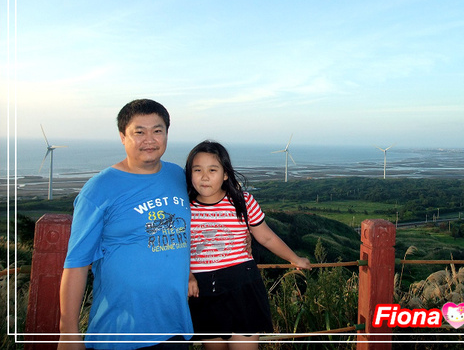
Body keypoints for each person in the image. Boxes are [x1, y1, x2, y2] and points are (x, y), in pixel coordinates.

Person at [58, 99, 193, 350]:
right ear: (122, 136)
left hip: (175, 328)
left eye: (157, 130)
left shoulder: (178, 176)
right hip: (119, 333)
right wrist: (68, 333)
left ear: (167, 133)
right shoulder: (99, 189)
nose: (149, 140)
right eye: (139, 132)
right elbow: (77, 263)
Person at [185, 140, 311, 349]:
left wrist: (294, 258)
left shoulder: (242, 202)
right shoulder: (184, 208)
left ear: (226, 174)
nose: (204, 177)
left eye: (212, 170)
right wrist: (188, 274)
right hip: (203, 292)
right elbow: (179, 248)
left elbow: (266, 237)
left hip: (242, 286)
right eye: (197, 170)